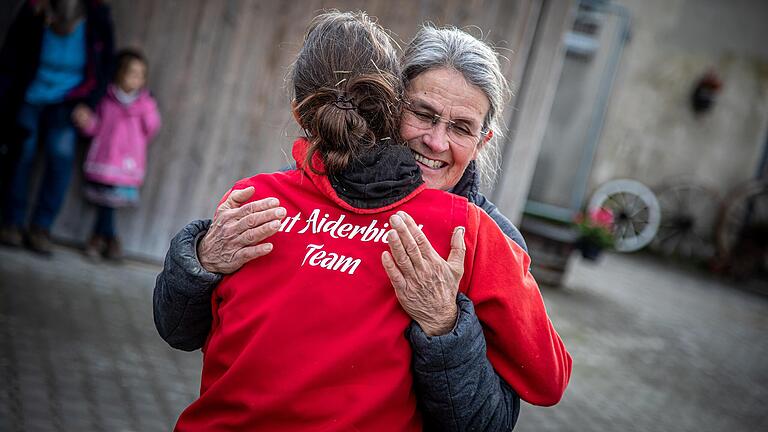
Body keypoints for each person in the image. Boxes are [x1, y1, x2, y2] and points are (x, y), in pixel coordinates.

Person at [167, 11, 569, 431]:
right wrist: (199, 261)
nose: (435, 141)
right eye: (424, 114)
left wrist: (446, 325)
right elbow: (179, 328)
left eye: (461, 128)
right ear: (388, 105)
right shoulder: (272, 197)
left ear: (482, 140)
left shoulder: (485, 236)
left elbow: (502, 415)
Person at [0, 0, 114, 254]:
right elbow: (10, 56)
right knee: (22, 154)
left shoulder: (96, 14)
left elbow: (106, 63)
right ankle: (11, 222)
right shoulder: (35, 9)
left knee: (60, 155)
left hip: (69, 99)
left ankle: (41, 227)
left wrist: (89, 103)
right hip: (29, 94)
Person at [72, 48, 161, 260]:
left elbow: (152, 127)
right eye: (132, 73)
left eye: (141, 75)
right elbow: (95, 127)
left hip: (126, 165)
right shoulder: (106, 99)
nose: (137, 79)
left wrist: (147, 107)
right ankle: (110, 240)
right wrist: (85, 123)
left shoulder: (144, 104)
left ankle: (99, 238)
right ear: (118, 74)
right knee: (107, 202)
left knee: (110, 203)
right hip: (105, 160)